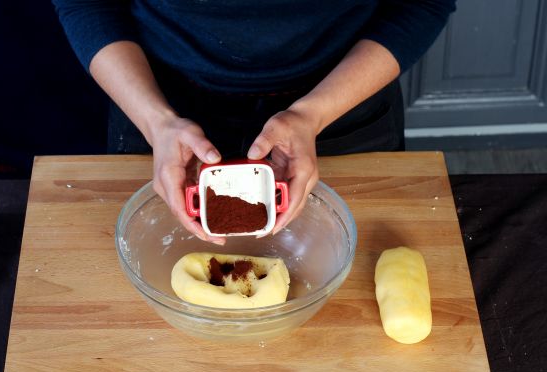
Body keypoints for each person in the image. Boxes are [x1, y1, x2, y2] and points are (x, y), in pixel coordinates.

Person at [52, 0, 456, 244]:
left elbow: (421, 4)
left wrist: (312, 114)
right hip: (159, 104)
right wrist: (156, 121)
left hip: (341, 99)